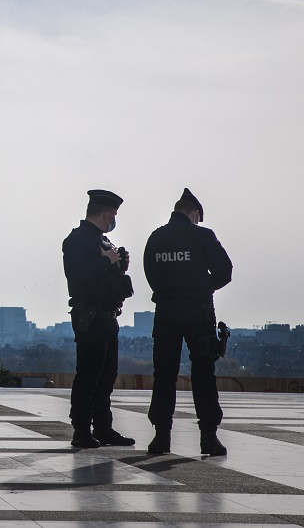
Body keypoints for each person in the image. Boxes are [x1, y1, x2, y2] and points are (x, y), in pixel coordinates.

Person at [144, 188, 233, 456]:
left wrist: (170, 290)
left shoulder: (157, 237)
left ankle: (161, 438)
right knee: (203, 373)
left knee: (164, 373)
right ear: (194, 213)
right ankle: (208, 437)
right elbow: (225, 271)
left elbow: (150, 273)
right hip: (198, 310)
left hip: (166, 310)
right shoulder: (202, 235)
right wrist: (202, 288)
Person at [62, 189, 136, 448]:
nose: (114, 218)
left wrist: (119, 264)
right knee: (89, 376)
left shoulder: (103, 241)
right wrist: (105, 261)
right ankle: (81, 429)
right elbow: (77, 276)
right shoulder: (77, 241)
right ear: (106, 213)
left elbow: (106, 277)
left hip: (108, 316)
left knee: (106, 376)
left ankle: (103, 427)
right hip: (91, 316)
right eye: (113, 213)